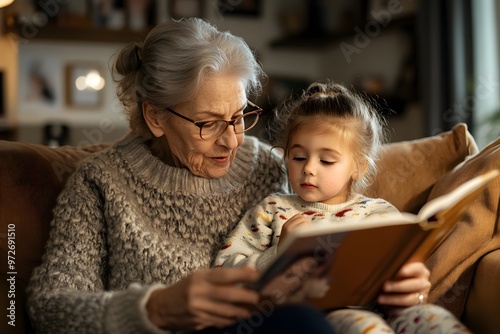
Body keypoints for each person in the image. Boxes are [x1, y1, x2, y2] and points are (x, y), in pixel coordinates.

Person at [26, 18, 334, 334]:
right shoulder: (101, 182)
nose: (232, 141)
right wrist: (156, 308)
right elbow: (50, 307)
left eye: (239, 116)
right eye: (208, 123)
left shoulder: (270, 168)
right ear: (155, 116)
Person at [215, 81, 471, 333]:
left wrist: (410, 289)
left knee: (434, 318)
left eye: (326, 160)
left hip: (387, 312)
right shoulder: (272, 209)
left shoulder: (379, 214)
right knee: (365, 326)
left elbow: (403, 274)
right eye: (299, 157)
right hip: (317, 320)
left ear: (358, 167)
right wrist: (278, 254)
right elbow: (223, 271)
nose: (309, 168)